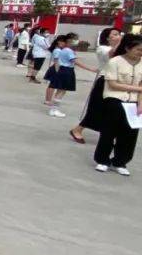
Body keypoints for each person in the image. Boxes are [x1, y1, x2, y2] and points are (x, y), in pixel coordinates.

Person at [94, 33, 142, 175]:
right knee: (109, 132)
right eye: (138, 49)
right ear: (127, 48)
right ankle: (102, 160)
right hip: (114, 100)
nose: (140, 53)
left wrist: (140, 104)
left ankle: (120, 162)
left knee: (130, 134)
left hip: (133, 102)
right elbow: (113, 84)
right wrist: (138, 89)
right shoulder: (115, 62)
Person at [70, 28, 122, 144]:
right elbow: (112, 54)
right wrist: (120, 42)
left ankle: (109, 133)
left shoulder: (122, 49)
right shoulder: (102, 48)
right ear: (107, 38)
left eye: (119, 34)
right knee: (97, 108)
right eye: (115, 35)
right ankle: (77, 129)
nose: (118, 36)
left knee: (111, 110)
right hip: (105, 81)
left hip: (119, 82)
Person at [44, 34, 98, 118]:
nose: (77, 41)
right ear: (69, 40)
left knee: (61, 90)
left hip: (65, 70)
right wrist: (90, 69)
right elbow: (75, 61)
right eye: (75, 39)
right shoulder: (68, 50)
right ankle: (54, 109)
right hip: (66, 70)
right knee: (61, 91)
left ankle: (54, 109)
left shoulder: (65, 50)